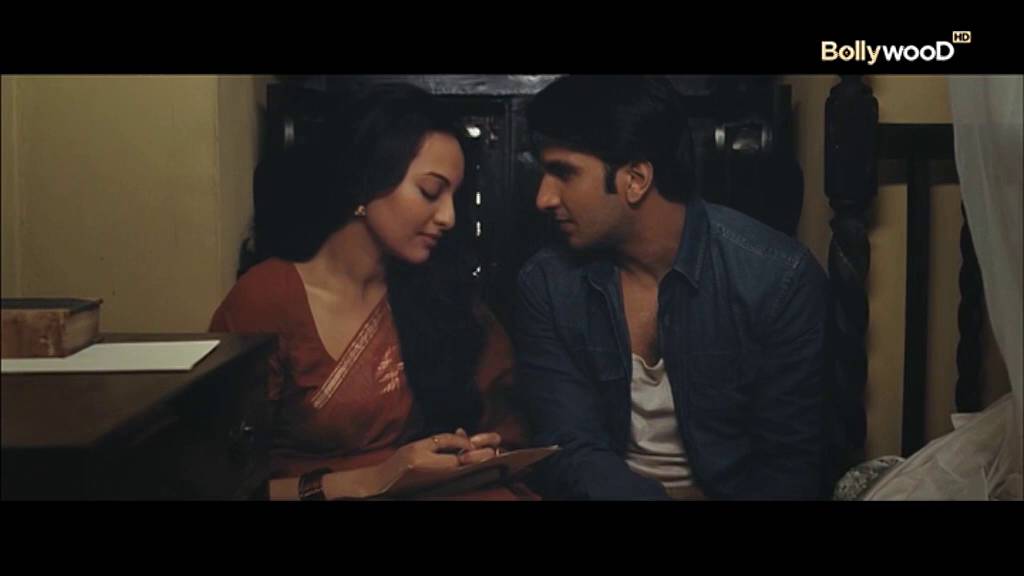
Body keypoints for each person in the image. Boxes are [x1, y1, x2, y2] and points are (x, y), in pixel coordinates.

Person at [514, 75, 830, 500]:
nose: (544, 198)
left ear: (636, 179)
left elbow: (790, 463)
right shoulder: (548, 283)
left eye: (563, 173)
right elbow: (569, 447)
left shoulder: (778, 279)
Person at [211, 83, 532, 500]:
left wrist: (474, 453)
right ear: (364, 184)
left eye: (455, 197)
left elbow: (502, 418)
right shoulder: (266, 299)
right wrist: (376, 478)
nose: (449, 217)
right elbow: (219, 481)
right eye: (430, 192)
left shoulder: (441, 295)